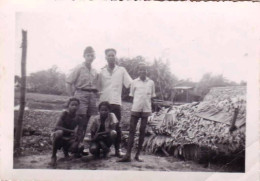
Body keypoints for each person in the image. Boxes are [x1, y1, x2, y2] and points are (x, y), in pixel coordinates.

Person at [98, 48, 132, 157]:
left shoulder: (121, 70)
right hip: (104, 103)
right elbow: (97, 88)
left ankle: (117, 150)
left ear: (115, 57)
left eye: (113, 55)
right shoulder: (101, 71)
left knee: (116, 127)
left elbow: (130, 84)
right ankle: (102, 148)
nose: (111, 57)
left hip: (116, 102)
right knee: (103, 126)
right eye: (109, 55)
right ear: (105, 57)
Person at [118, 63, 156, 162]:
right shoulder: (134, 82)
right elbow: (132, 97)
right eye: (141, 70)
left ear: (147, 71)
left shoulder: (151, 83)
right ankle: (128, 155)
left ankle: (138, 155)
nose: (142, 71)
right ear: (138, 71)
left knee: (142, 132)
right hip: (135, 109)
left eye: (145, 70)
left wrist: (150, 110)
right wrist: (134, 107)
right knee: (132, 131)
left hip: (146, 110)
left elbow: (151, 97)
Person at [66, 46, 99, 143]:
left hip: (91, 96)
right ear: (84, 56)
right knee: (80, 120)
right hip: (80, 94)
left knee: (87, 121)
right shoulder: (79, 67)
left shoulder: (94, 70)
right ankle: (75, 145)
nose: (90, 57)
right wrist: (71, 97)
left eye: (92, 56)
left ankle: (80, 145)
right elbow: (68, 82)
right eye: (88, 55)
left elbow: (96, 84)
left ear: (94, 57)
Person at [50, 97, 84, 167]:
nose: (74, 107)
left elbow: (80, 132)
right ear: (68, 106)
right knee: (59, 133)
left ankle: (66, 153)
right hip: (58, 136)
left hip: (69, 137)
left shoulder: (79, 118)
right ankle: (53, 156)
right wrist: (71, 130)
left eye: (76, 105)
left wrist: (77, 142)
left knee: (80, 147)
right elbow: (57, 127)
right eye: (72, 105)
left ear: (78, 107)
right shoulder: (64, 114)